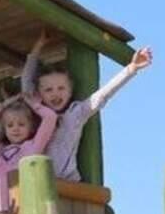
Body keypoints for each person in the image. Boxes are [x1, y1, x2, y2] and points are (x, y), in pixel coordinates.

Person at [20, 32, 154, 183]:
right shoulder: (38, 112)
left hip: (66, 181)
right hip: (38, 179)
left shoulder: (75, 113)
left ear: (70, 90)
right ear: (40, 93)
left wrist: (131, 69)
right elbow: (26, 83)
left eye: (61, 88)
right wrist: (38, 47)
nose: (55, 94)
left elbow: (102, 95)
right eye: (48, 90)